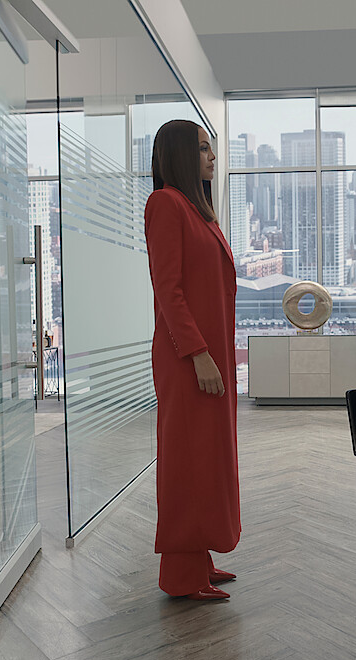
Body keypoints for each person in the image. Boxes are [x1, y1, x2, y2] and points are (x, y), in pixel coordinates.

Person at [144, 120, 240, 601]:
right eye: (202, 149)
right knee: (187, 457)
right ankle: (180, 575)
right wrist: (199, 354)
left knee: (207, 456)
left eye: (212, 149)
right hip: (189, 358)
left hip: (209, 354)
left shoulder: (200, 212)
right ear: (180, 155)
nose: (211, 157)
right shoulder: (166, 204)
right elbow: (169, 290)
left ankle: (199, 556)